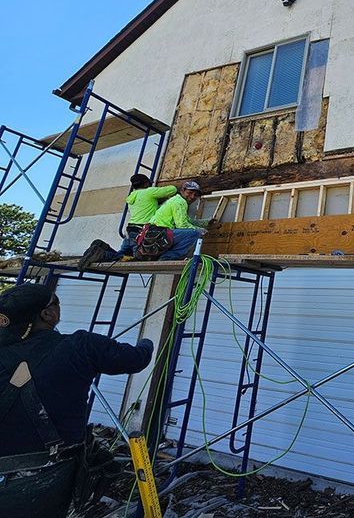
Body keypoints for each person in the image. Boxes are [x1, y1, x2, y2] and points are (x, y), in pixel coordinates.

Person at [0, 284, 154, 518]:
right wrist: (147, 342)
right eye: (56, 302)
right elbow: (136, 359)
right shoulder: (79, 346)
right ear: (47, 314)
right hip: (43, 477)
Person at [77, 174, 177, 269]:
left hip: (130, 231)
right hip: (141, 232)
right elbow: (172, 190)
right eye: (149, 183)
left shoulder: (132, 196)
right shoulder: (148, 192)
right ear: (146, 183)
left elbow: (148, 208)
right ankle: (102, 253)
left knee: (124, 256)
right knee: (139, 259)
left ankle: (101, 246)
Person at [147, 180, 214, 260]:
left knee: (191, 232)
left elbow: (189, 221)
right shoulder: (180, 202)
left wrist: (206, 222)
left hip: (155, 233)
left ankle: (167, 256)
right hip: (159, 233)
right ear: (182, 190)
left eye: (195, 195)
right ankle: (168, 257)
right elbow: (182, 225)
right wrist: (200, 230)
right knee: (194, 234)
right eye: (189, 193)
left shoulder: (177, 200)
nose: (192, 197)